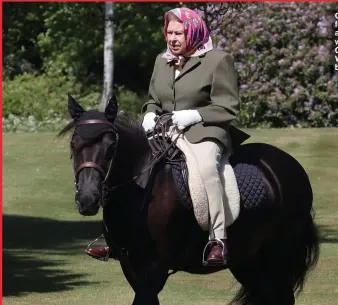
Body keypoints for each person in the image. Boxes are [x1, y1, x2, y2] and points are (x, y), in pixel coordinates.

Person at [86, 7, 240, 266]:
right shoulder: (162, 60)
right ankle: (114, 239)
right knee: (125, 164)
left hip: (205, 131)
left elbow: (228, 107)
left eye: (178, 32)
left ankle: (218, 239)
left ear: (193, 31)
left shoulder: (218, 60)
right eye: (169, 32)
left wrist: (194, 116)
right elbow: (154, 101)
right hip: (165, 131)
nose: (172, 38)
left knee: (206, 170)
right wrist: (149, 114)